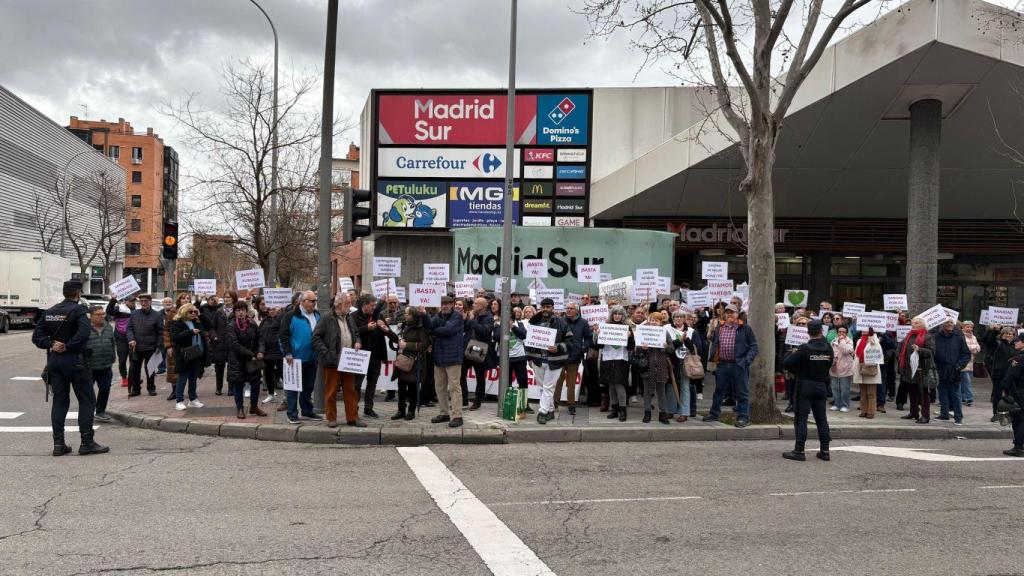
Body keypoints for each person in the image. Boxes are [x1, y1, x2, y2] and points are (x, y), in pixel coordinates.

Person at [32, 280, 109, 456]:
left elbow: (37, 337)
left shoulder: (50, 312)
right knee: (87, 400)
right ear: (77, 294)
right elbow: (84, 333)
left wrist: (52, 344)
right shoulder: (79, 310)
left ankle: (59, 445)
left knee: (59, 401)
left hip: (55, 362)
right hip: (76, 362)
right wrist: (68, 345)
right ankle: (87, 442)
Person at [312, 292, 365, 428]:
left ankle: (352, 417)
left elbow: (356, 333)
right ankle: (331, 418)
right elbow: (315, 338)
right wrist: (328, 353)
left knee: (350, 390)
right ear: (339, 304)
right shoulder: (326, 318)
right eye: (347, 303)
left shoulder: (349, 318)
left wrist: (357, 342)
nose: (350, 306)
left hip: (348, 360)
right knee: (331, 391)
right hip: (332, 361)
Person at [782, 321, 834, 461]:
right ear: (821, 332)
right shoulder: (828, 348)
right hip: (821, 386)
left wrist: (792, 354)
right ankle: (825, 451)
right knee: (821, 419)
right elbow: (830, 364)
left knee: (801, 419)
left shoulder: (804, 348)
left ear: (808, 332)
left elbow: (787, 363)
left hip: (805, 385)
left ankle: (799, 451)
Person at [516, 298, 572, 424]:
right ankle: (551, 410)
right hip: (538, 360)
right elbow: (528, 340)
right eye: (544, 307)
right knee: (542, 387)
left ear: (553, 308)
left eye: (548, 307)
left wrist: (558, 347)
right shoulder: (534, 322)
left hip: (555, 361)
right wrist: (529, 358)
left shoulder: (561, 323)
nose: (546, 309)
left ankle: (542, 412)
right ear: (541, 307)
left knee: (548, 387)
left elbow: (570, 342)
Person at [703, 304, 757, 427]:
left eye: (732, 312)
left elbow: (754, 346)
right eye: (727, 312)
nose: (729, 314)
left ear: (737, 314)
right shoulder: (719, 328)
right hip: (722, 364)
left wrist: (746, 360)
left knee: (742, 392)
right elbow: (714, 342)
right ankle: (714, 414)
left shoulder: (745, 328)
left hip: (739, 365)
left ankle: (743, 417)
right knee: (719, 391)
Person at [279, 291, 323, 424]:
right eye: (311, 301)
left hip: (312, 358)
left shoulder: (317, 315)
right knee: (293, 388)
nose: (314, 303)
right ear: (302, 302)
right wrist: (287, 353)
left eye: (315, 301)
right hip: (294, 358)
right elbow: (283, 336)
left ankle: (307, 411)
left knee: (308, 387)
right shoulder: (290, 316)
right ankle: (292, 414)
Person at [426, 296, 466, 428]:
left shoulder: (457, 317)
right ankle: (444, 413)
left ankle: (457, 415)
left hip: (453, 356)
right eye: (443, 304)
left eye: (448, 304)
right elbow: (428, 326)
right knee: (440, 386)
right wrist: (422, 313)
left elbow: (448, 331)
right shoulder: (438, 317)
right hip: (439, 356)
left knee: (454, 387)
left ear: (453, 305)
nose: (445, 306)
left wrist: (434, 331)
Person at [225, 301, 267, 419]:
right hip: (238, 360)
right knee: (239, 384)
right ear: (234, 312)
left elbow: (260, 339)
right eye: (237, 311)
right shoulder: (231, 325)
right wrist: (250, 354)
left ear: (246, 311)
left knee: (255, 383)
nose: (240, 313)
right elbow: (234, 344)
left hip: (252, 359)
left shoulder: (252, 323)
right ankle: (240, 408)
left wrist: (260, 351)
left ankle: (254, 407)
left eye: (242, 310)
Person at [352, 294, 390, 418]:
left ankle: (369, 408)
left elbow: (387, 329)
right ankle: (353, 407)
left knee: (372, 383)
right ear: (364, 305)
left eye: (375, 305)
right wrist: (366, 328)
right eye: (371, 305)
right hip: (361, 355)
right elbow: (353, 332)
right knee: (357, 383)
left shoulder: (377, 315)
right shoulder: (353, 316)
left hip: (376, 355)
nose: (374, 308)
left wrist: (384, 326)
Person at [635, 311, 674, 424]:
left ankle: (663, 414)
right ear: (649, 321)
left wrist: (667, 347)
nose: (654, 322)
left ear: (661, 322)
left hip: (661, 365)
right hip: (647, 365)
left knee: (661, 391)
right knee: (647, 392)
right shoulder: (643, 331)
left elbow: (672, 349)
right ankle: (647, 413)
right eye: (652, 320)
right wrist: (643, 348)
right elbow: (637, 350)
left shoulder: (665, 332)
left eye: (656, 320)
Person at [555, 301, 592, 416]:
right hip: (560, 356)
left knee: (571, 383)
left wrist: (583, 347)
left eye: (571, 308)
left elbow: (588, 337)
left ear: (576, 310)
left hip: (575, 356)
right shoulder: (560, 321)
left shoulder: (583, 323)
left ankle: (571, 405)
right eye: (567, 308)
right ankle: (554, 403)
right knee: (557, 381)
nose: (568, 310)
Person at [596, 306, 632, 421]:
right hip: (608, 359)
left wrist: (629, 338)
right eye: (615, 313)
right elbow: (599, 346)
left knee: (619, 385)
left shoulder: (627, 328)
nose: (617, 316)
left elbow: (631, 347)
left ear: (623, 316)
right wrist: (598, 335)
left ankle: (623, 410)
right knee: (611, 384)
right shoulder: (605, 327)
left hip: (621, 360)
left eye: (619, 314)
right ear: (612, 315)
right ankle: (614, 408)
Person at [897, 316, 935, 424]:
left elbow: (931, 352)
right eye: (913, 323)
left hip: (921, 369)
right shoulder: (909, 335)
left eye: (917, 323)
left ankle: (925, 416)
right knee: (912, 392)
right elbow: (901, 347)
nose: (914, 325)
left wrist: (920, 350)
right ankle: (913, 412)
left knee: (923, 394)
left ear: (923, 325)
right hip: (909, 369)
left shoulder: (927, 336)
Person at [393, 306, 429, 421]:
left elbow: (424, 345)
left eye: (407, 314)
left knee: (413, 388)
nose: (405, 315)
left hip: (414, 362)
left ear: (413, 315)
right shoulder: (404, 325)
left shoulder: (420, 328)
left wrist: (406, 345)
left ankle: (411, 411)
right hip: (403, 360)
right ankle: (401, 410)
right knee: (401, 386)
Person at [933, 319, 970, 425]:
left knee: (956, 394)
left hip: (954, 370)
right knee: (942, 393)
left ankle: (958, 417)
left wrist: (959, 366)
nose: (949, 324)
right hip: (940, 369)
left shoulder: (959, 338)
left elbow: (966, 354)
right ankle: (944, 414)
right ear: (941, 324)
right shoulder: (936, 337)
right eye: (946, 322)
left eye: (951, 322)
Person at [126, 294, 163, 397]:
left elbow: (161, 331)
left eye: (146, 301)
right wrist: (131, 339)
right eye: (141, 301)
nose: (143, 303)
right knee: (135, 370)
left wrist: (159, 346)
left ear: (150, 302)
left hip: (151, 347)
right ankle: (136, 389)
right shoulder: (134, 314)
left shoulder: (157, 315)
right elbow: (129, 329)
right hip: (136, 347)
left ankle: (151, 388)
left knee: (150, 369)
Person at [170, 303, 206, 411]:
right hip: (184, 354)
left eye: (195, 311)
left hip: (196, 353)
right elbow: (175, 337)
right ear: (184, 312)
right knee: (183, 377)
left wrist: (200, 315)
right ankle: (179, 401)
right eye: (191, 312)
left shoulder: (196, 321)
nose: (193, 313)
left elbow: (208, 325)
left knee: (193, 377)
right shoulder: (177, 323)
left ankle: (193, 399)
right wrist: (190, 332)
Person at [464, 296, 496, 410]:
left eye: (476, 303)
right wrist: (466, 320)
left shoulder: (488, 317)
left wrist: (472, 320)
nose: (473, 305)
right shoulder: (473, 314)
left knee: (480, 376)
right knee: (461, 373)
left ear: (482, 306)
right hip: (468, 347)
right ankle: (464, 399)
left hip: (479, 348)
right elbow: (466, 329)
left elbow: (484, 331)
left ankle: (478, 400)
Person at [85, 305, 115, 423]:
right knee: (88, 392)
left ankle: (100, 411)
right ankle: (87, 412)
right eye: (98, 314)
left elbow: (112, 343)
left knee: (105, 388)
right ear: (90, 316)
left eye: (103, 314)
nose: (102, 316)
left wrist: (112, 357)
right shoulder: (84, 328)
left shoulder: (108, 327)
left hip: (106, 365)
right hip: (89, 366)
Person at [997, 336, 1024, 457]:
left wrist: (1006, 392)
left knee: (1018, 420)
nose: (1015, 343)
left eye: (1017, 341)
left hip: (1019, 393)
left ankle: (1018, 447)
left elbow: (1009, 377)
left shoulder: (1018, 359)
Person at [983, 326, 1016, 423]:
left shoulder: (1015, 345)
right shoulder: (998, 344)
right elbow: (990, 340)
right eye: (1006, 333)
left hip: (1010, 375)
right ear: (1002, 335)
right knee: (997, 395)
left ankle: (1008, 414)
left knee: (1010, 395)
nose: (1009, 335)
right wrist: (994, 330)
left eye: (1010, 334)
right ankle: (995, 414)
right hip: (999, 375)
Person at [665, 310, 693, 423]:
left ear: (684, 318)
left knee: (685, 388)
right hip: (672, 362)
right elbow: (667, 347)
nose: (678, 319)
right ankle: (670, 410)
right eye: (676, 317)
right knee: (671, 387)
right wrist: (678, 341)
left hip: (686, 363)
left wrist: (686, 340)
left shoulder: (691, 331)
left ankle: (684, 412)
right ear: (672, 318)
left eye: (681, 317)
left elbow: (696, 348)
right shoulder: (667, 329)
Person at [200, 295, 229, 395]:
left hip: (231, 342)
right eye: (225, 297)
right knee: (219, 366)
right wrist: (214, 336)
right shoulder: (216, 311)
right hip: (218, 342)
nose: (213, 301)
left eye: (229, 297)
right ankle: (219, 388)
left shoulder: (228, 309)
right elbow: (212, 327)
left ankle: (231, 388)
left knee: (232, 367)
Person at [105, 294, 135, 388]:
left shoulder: (136, 310)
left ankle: (133, 377)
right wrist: (113, 300)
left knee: (133, 359)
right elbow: (109, 311)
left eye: (133, 301)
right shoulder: (120, 308)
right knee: (122, 359)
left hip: (132, 338)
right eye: (130, 301)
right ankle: (124, 378)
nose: (132, 303)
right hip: (121, 337)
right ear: (126, 301)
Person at [852, 328, 882, 418]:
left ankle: (871, 412)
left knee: (871, 392)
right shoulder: (859, 340)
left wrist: (872, 337)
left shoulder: (874, 339)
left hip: (870, 367)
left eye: (865, 329)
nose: (863, 331)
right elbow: (856, 353)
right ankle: (863, 410)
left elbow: (876, 349)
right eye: (862, 329)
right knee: (863, 392)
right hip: (860, 366)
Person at [258, 304, 284, 404]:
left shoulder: (282, 319)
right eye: (269, 310)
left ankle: (286, 396)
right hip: (268, 352)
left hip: (280, 352)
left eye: (273, 309)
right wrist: (261, 350)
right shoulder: (265, 321)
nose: (271, 311)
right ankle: (271, 394)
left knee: (283, 374)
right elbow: (260, 336)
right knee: (268, 374)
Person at [829, 326, 855, 412]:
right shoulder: (833, 341)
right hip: (834, 367)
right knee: (835, 388)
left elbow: (846, 350)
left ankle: (845, 405)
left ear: (846, 333)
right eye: (839, 332)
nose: (841, 333)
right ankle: (837, 404)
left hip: (845, 368)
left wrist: (842, 341)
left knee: (844, 389)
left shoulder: (849, 341)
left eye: (843, 332)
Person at [161, 297, 178, 400]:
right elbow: (164, 330)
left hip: (177, 343)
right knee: (171, 368)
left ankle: (185, 391)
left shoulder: (176, 312)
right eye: (166, 302)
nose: (168, 303)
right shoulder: (159, 313)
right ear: (163, 303)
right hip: (166, 343)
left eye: (170, 302)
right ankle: (174, 391)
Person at [960, 321, 981, 408]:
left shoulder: (974, 337)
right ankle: (969, 398)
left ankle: (963, 398)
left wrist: (972, 349)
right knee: (966, 381)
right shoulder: (961, 336)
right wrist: (973, 348)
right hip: (964, 362)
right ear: (963, 327)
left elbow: (978, 348)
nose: (969, 328)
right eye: (967, 327)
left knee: (965, 382)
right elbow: (964, 348)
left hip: (971, 362)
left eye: (970, 327)